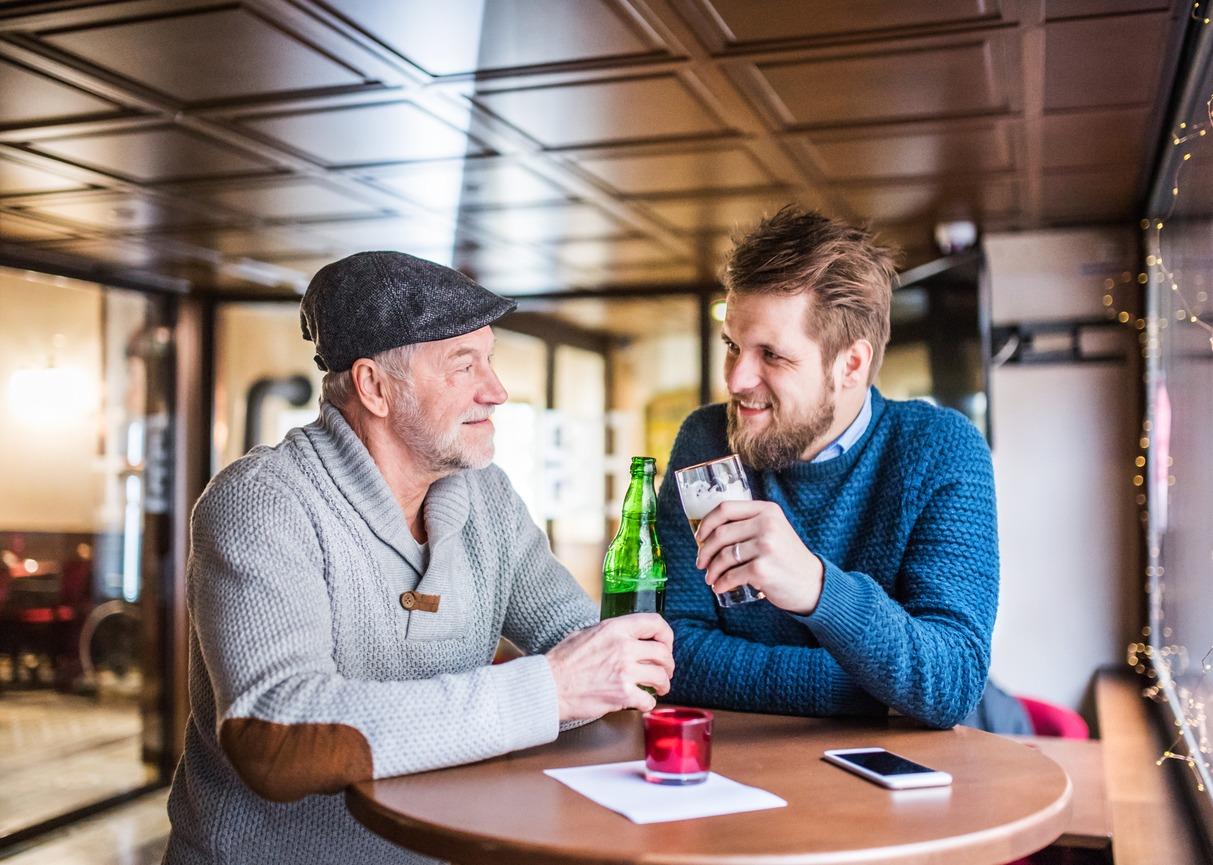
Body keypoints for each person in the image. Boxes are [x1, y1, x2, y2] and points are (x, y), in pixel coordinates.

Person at [164, 251, 674, 865]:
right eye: (463, 366)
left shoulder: (487, 497)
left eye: (490, 359)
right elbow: (276, 739)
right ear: (374, 387)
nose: (497, 390)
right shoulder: (263, 501)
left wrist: (598, 670)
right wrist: (549, 690)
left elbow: (585, 647)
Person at [657, 207, 1005, 730]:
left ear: (851, 364)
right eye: (732, 346)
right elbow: (669, 651)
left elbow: (952, 680)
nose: (735, 380)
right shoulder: (706, 440)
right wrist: (876, 693)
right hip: (737, 779)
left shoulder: (941, 450)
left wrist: (818, 589)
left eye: (771, 355)